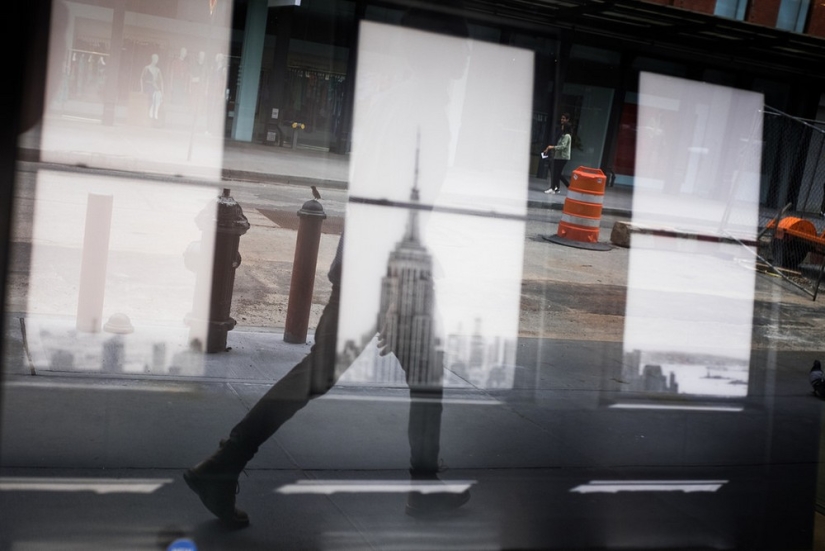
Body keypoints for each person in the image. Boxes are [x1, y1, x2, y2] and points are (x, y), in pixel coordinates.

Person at [183, 6, 472, 528]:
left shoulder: (393, 102)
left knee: (360, 374)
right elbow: (397, 203)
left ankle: (226, 462)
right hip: (390, 269)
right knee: (387, 377)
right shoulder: (425, 111)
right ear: (441, 54)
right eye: (460, 47)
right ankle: (225, 463)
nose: (466, 56)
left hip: (374, 264)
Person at [543, 117, 572, 194]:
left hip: (563, 157)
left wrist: (552, 147)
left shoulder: (566, 136)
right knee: (556, 172)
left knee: (556, 172)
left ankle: (556, 188)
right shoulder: (563, 136)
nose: (561, 127)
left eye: (563, 126)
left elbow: (563, 146)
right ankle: (558, 187)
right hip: (559, 156)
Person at [140, 54, 164, 121]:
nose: (156, 60)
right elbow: (141, 78)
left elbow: (161, 81)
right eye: (155, 59)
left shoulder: (158, 70)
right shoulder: (147, 68)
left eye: (157, 59)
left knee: (157, 100)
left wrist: (162, 91)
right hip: (148, 87)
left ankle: (154, 116)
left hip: (155, 88)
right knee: (149, 101)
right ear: (152, 59)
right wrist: (141, 89)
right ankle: (147, 116)